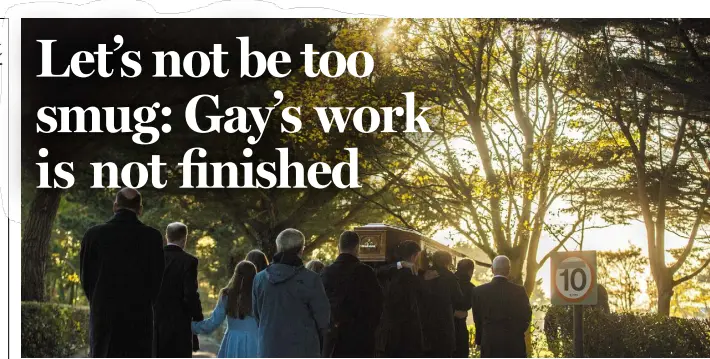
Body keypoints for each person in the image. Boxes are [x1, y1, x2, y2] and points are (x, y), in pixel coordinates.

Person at [80, 188, 164, 357]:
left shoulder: (93, 235)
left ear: (115, 206)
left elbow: (86, 279)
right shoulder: (153, 237)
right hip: (139, 318)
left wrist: (99, 301)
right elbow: (157, 281)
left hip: (104, 316)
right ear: (140, 209)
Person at [251, 228, 330, 358]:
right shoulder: (311, 279)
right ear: (301, 250)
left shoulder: (259, 279)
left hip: (268, 348)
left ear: (278, 247)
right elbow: (323, 320)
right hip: (303, 350)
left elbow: (258, 316)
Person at [320, 231, 383, 357]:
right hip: (360, 339)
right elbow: (378, 304)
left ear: (339, 247)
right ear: (357, 248)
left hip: (333, 339)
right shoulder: (365, 272)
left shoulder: (326, 272)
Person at [153, 222, 204, 357]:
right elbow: (190, 294)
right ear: (184, 238)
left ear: (167, 236)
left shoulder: (153, 258)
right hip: (179, 324)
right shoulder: (189, 261)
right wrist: (198, 317)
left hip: (155, 323)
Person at [192, 261, 259, 358]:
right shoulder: (260, 296)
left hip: (233, 342)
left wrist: (191, 326)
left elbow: (212, 323)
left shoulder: (227, 296)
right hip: (255, 343)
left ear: (236, 275)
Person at [471, 255, 531, 358]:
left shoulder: (479, 291)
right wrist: (517, 332)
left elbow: (477, 318)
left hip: (490, 341)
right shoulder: (519, 291)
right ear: (508, 270)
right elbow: (526, 315)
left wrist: (480, 340)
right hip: (514, 342)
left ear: (492, 269)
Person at [379, 240, 426, 358]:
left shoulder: (389, 270)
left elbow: (378, 271)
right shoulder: (411, 276)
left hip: (386, 331)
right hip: (405, 331)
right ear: (414, 256)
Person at [421, 251, 464, 357]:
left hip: (425, 324)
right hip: (444, 324)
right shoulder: (450, 277)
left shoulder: (423, 275)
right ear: (448, 262)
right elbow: (459, 300)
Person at [453, 259, 476, 358]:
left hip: (440, 327)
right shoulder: (471, 288)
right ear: (470, 271)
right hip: (459, 327)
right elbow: (467, 307)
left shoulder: (446, 280)